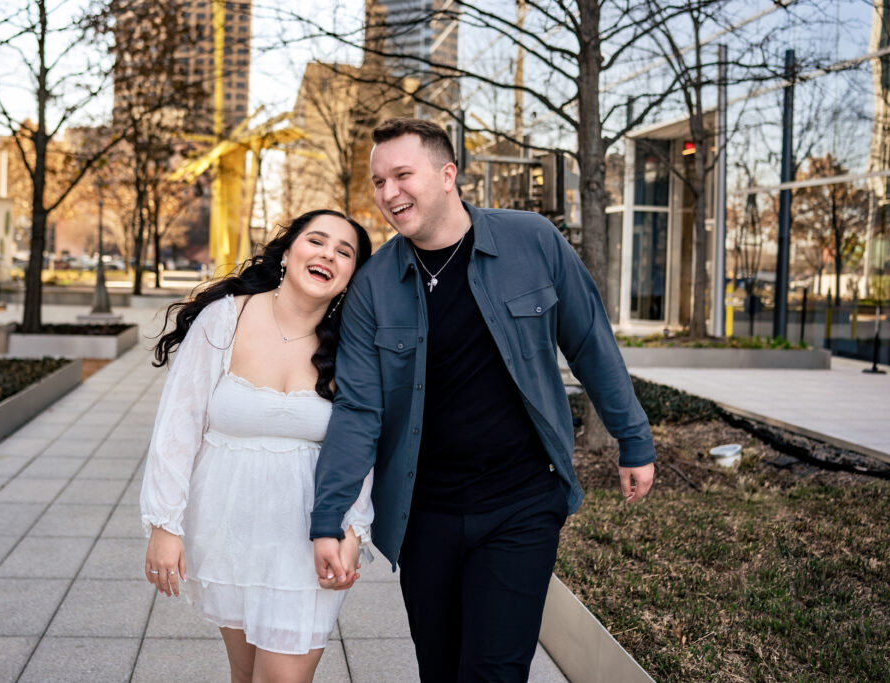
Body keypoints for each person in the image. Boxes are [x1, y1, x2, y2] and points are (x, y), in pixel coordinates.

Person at [310, 118, 657, 682]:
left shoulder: (532, 240)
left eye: (403, 175)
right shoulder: (373, 286)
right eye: (378, 182)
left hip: (520, 502)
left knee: (494, 672)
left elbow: (590, 340)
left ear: (448, 175)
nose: (388, 193)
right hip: (425, 515)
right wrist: (329, 517)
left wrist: (633, 438)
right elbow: (359, 411)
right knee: (441, 670)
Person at [141, 209, 374, 683]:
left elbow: (363, 443)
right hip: (227, 528)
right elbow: (177, 426)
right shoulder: (225, 319)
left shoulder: (354, 342)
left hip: (313, 536)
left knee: (281, 678)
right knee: (246, 675)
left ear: (351, 274)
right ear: (288, 253)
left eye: (344, 252)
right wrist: (165, 525)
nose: (328, 254)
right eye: (317, 241)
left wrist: (354, 531)